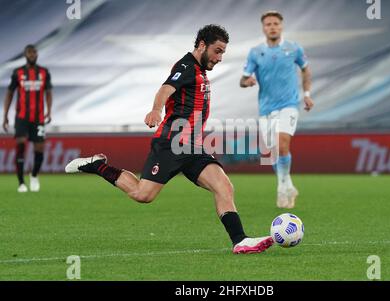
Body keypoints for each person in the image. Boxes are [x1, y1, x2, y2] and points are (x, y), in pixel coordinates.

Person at [65, 25, 273, 254]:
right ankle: (97, 165)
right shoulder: (186, 66)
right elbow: (165, 89)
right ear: (202, 45)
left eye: (223, 52)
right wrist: (156, 110)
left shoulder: (200, 71)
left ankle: (240, 240)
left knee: (224, 186)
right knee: (143, 195)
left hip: (193, 146)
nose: (219, 58)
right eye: (217, 51)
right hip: (171, 144)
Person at [240, 11, 314, 209]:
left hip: (289, 105)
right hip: (266, 109)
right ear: (263, 28)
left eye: (275, 23)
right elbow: (243, 79)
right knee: (273, 153)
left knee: (282, 145)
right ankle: (288, 184)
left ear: (281, 26)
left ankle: (281, 188)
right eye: (268, 24)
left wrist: (306, 93)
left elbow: (306, 69)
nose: (272, 26)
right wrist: (248, 81)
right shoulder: (255, 52)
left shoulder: (293, 48)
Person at [2, 44, 53, 193]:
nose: (32, 55)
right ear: (25, 55)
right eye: (29, 53)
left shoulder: (44, 72)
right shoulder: (17, 73)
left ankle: (34, 175)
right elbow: (10, 94)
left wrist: (49, 111)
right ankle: (21, 183)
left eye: (34, 52)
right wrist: (5, 116)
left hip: (38, 118)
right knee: (21, 144)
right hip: (21, 117)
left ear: (37, 54)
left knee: (39, 149)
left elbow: (48, 93)